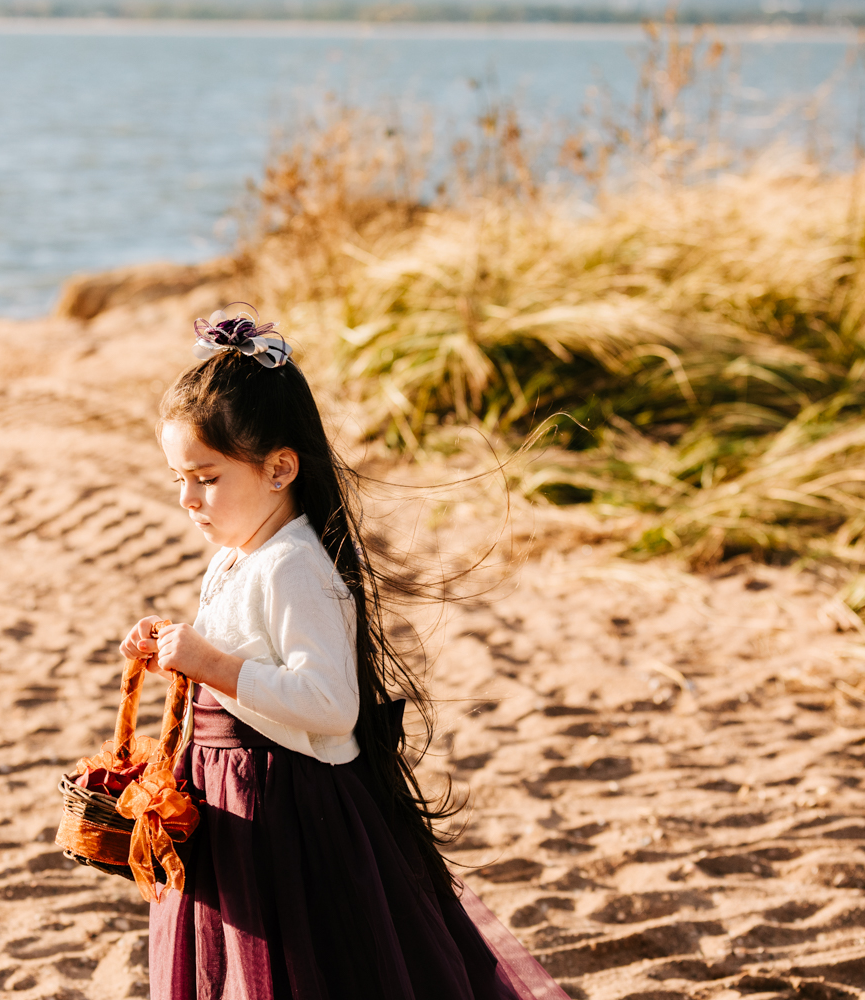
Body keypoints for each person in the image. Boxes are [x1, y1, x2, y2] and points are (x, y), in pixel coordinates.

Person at [118, 307, 570, 1000]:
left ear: (279, 468)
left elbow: (331, 706)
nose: (187, 499)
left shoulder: (294, 565)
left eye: (206, 477)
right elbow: (240, 659)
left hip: (292, 817)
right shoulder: (239, 559)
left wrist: (209, 664)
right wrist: (173, 655)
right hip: (229, 804)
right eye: (178, 478)